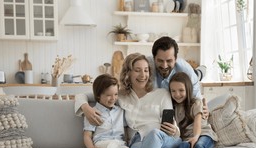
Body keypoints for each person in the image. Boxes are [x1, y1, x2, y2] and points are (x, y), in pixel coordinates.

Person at [76, 36, 207, 126]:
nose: (165, 65)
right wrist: (85, 107)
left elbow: (196, 101)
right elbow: (95, 93)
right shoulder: (145, 67)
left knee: (196, 75)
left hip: (179, 93)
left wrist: (202, 109)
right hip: (165, 105)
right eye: (160, 61)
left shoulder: (185, 70)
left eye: (169, 61)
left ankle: (201, 71)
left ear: (176, 58)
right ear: (154, 58)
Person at [169, 72, 218, 148]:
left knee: (199, 146)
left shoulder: (196, 102)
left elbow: (197, 121)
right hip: (188, 137)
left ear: (188, 89)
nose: (177, 94)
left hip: (204, 134)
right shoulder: (172, 106)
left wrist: (196, 136)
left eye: (181, 90)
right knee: (183, 145)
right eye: (173, 91)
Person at [83, 74, 137, 148]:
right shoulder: (93, 112)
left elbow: (125, 130)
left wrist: (128, 141)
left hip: (120, 142)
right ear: (98, 95)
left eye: (116, 94)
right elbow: (87, 135)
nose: (113, 98)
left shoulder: (121, 111)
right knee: (113, 144)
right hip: (102, 142)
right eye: (108, 95)